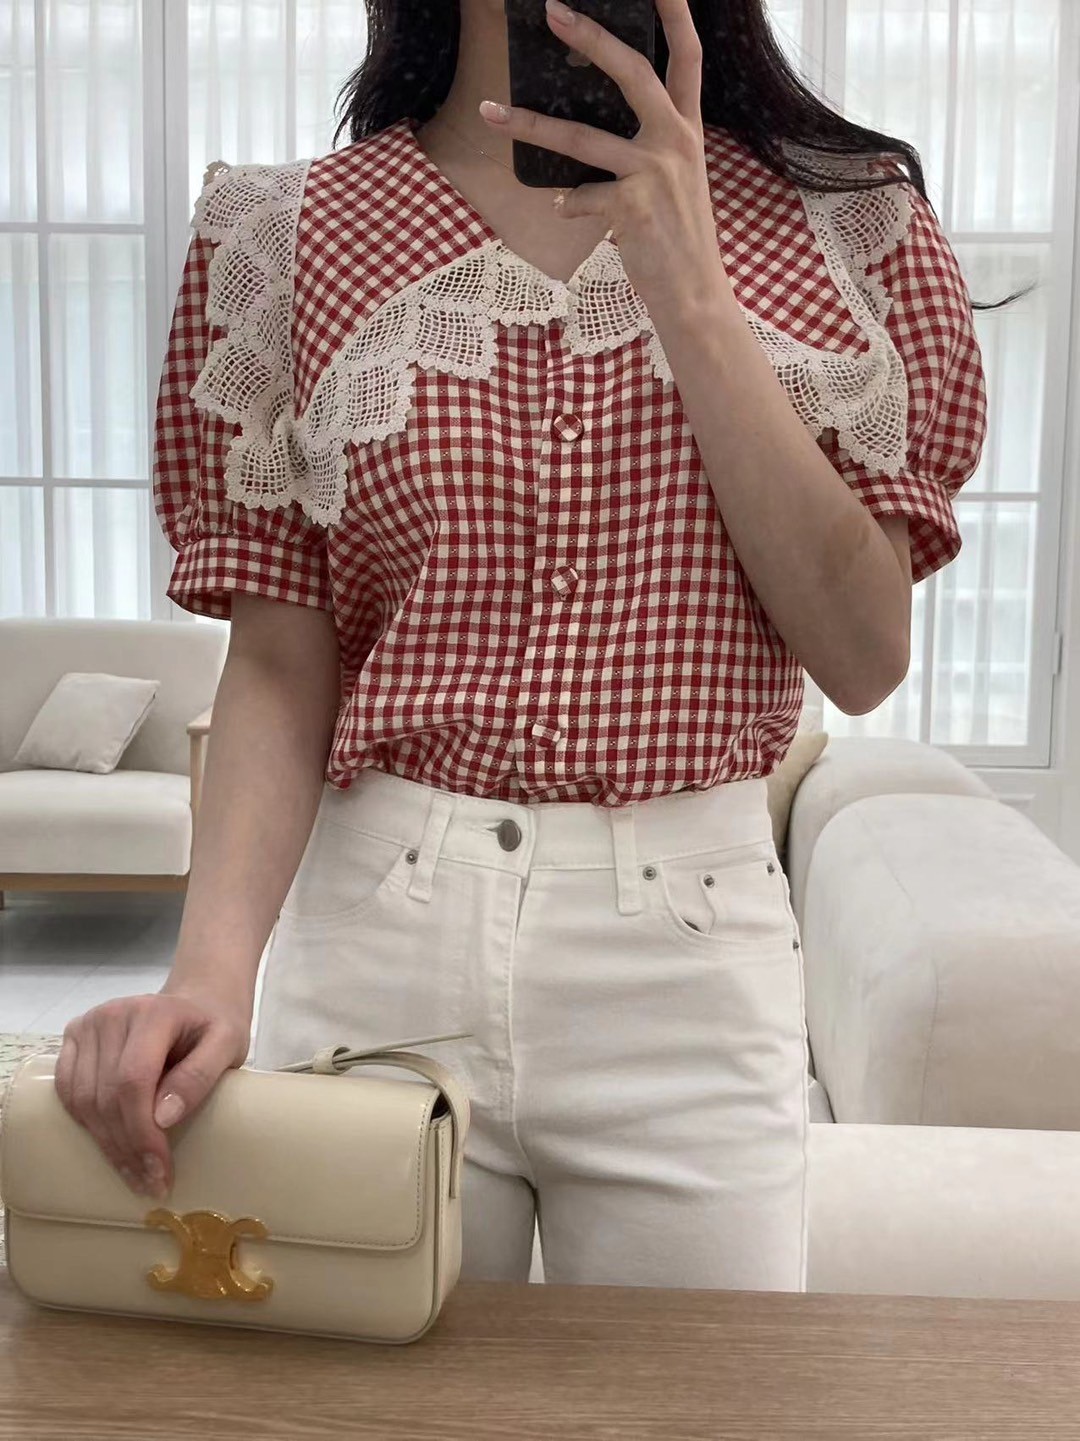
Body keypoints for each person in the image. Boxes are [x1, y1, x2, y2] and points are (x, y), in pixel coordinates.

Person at [55, 0, 996, 1294]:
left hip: (687, 959)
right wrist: (212, 973)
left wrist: (693, 293)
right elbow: (280, 660)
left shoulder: (845, 226)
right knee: (369, 1388)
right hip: (376, 936)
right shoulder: (290, 233)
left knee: (709, 1391)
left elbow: (864, 654)